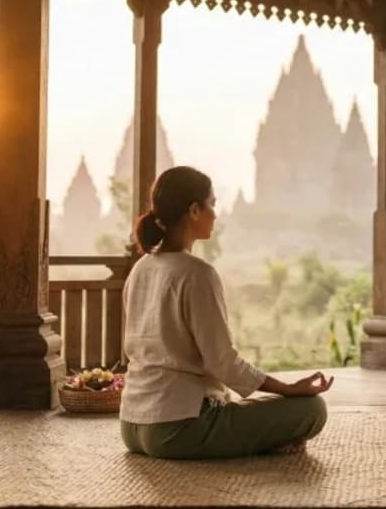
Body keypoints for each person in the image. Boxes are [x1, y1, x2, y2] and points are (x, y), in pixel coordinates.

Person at [119, 165, 332, 459]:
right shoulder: (197, 273)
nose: (216, 215)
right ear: (194, 210)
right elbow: (223, 363)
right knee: (311, 409)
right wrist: (288, 389)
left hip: (132, 425)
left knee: (238, 408)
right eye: (212, 205)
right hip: (178, 429)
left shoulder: (140, 268)